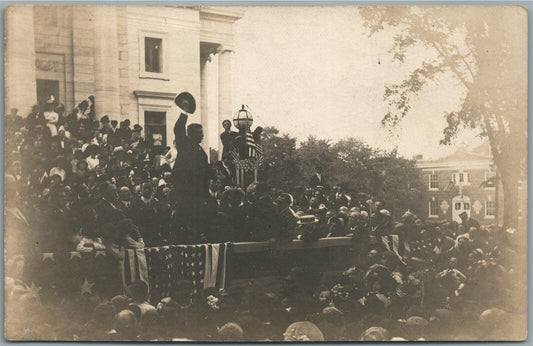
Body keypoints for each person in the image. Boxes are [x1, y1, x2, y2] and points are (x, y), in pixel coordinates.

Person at [171, 93, 213, 241]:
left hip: (199, 194)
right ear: (191, 134)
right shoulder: (185, 143)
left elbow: (205, 171)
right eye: (200, 134)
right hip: (186, 193)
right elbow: (178, 128)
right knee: (187, 224)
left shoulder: (201, 151)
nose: (202, 136)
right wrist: (185, 111)